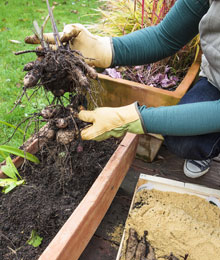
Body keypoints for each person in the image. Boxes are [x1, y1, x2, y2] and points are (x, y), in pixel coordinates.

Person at [26, 0, 220, 179]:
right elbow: (165, 37)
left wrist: (132, 119)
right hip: (215, 78)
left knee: (188, 133)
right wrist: (104, 49)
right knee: (183, 140)